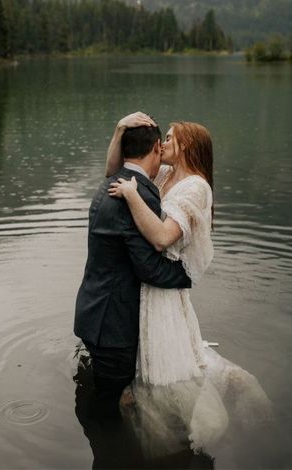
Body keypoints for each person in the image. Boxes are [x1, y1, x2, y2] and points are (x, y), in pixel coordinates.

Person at [106, 112, 272, 458]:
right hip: (154, 280)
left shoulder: (195, 186)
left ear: (187, 146)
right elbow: (116, 170)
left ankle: (172, 442)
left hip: (162, 281)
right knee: (163, 352)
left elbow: (163, 238)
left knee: (165, 372)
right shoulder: (167, 174)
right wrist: (121, 129)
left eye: (168, 137)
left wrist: (133, 196)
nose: (161, 143)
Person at [74, 117, 192, 421]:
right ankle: (106, 446)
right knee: (107, 404)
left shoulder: (112, 181)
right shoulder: (139, 192)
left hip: (94, 310)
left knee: (105, 392)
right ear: (155, 147)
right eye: (161, 142)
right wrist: (187, 274)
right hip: (112, 325)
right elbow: (148, 268)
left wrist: (119, 130)